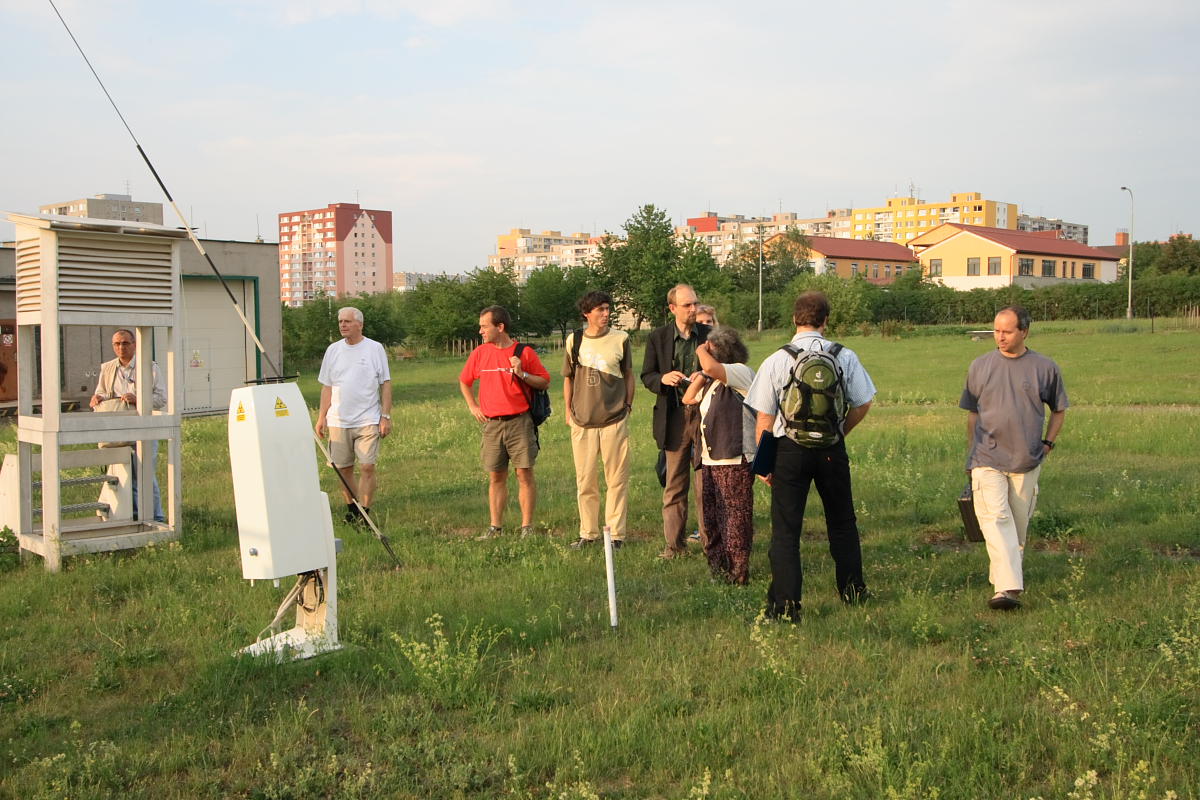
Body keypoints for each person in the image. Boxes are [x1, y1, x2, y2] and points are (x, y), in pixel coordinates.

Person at [746, 291, 874, 620]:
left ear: (794, 319)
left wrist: (764, 462)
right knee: (843, 523)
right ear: (826, 320)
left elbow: (763, 415)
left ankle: (787, 605)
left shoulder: (777, 359)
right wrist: (839, 431)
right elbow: (863, 402)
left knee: (786, 530)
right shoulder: (844, 356)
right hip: (831, 449)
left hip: (789, 449)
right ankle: (853, 591)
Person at [961, 306, 1068, 611]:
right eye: (996, 330)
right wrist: (970, 455)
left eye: (1007, 331)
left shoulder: (1045, 367)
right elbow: (973, 413)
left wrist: (1048, 443)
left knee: (1017, 529)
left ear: (1024, 332)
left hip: (1026, 459)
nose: (1001, 337)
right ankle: (1008, 590)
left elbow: (1059, 409)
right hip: (986, 456)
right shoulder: (979, 366)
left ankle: (1005, 589)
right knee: (996, 520)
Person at [459, 305, 551, 540]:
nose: (480, 331)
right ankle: (495, 528)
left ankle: (526, 528)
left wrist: (522, 374)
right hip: (492, 425)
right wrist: (473, 407)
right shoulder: (479, 353)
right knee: (496, 476)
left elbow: (544, 382)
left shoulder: (524, 352)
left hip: (520, 422)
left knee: (524, 474)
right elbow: (465, 381)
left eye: (484, 326)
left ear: (500, 327)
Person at [641, 284, 712, 559]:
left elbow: (725, 370)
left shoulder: (708, 335)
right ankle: (674, 546)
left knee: (705, 485)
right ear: (672, 309)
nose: (694, 309)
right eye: (687, 305)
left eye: (695, 303)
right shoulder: (657, 337)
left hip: (706, 415)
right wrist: (662, 378)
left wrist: (705, 376)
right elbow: (646, 375)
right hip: (673, 419)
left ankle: (710, 544)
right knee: (674, 484)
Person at [682, 327, 756, 584]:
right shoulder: (712, 380)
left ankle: (738, 574)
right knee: (712, 519)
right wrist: (702, 376)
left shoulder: (740, 372)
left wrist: (701, 349)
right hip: (711, 460)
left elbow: (713, 368)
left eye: (709, 349)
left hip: (734, 458)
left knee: (735, 519)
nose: (703, 353)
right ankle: (718, 570)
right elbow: (688, 398)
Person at [563, 291, 634, 550]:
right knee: (585, 481)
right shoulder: (575, 340)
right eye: (600, 310)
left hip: (614, 419)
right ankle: (588, 533)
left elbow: (628, 375)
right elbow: (568, 377)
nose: (605, 314)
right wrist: (568, 411)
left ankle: (616, 535)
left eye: (607, 309)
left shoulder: (621, 339)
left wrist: (627, 405)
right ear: (587, 313)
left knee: (616, 479)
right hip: (582, 422)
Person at [316, 307, 393, 524]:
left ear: (360, 324)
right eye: (340, 321)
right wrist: (322, 417)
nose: (342, 325)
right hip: (339, 420)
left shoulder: (374, 349)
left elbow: (385, 383)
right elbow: (327, 387)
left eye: (347, 321)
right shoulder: (333, 350)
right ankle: (352, 509)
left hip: (368, 418)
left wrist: (385, 416)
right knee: (343, 469)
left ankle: (365, 513)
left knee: (367, 466)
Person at [90, 328, 166, 522]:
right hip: (116, 430)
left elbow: (160, 399)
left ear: (134, 345)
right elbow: (103, 393)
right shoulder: (107, 368)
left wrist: (138, 399)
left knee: (144, 473)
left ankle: (155, 517)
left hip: (143, 429)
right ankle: (127, 514)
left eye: (125, 343)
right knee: (118, 473)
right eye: (117, 344)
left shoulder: (149, 367)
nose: (121, 347)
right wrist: (97, 399)